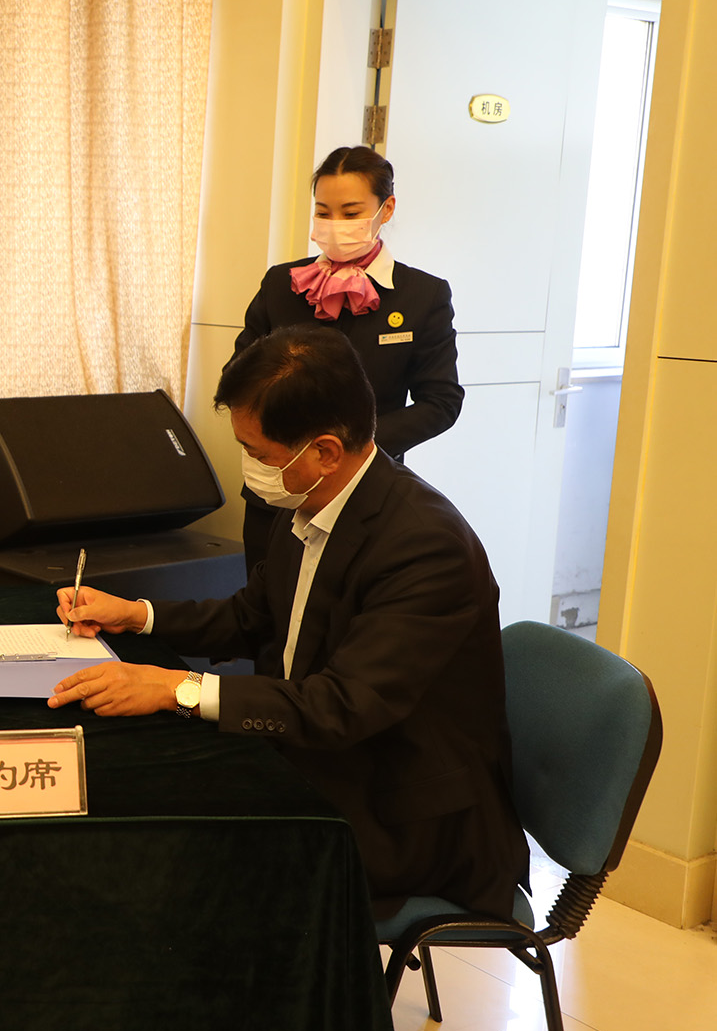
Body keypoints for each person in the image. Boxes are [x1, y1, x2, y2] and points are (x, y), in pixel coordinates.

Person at [48, 326, 526, 921]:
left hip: (399, 812)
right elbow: (251, 616)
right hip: (312, 752)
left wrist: (177, 688)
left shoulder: (426, 547)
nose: (250, 468)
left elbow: (341, 705)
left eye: (259, 454)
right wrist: (136, 615)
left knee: (177, 851)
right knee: (137, 784)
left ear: (325, 451)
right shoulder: (308, 500)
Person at [234, 145, 463, 571]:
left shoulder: (422, 295)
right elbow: (239, 375)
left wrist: (355, 448)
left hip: (365, 492)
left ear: (386, 209)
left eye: (351, 212)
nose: (335, 224)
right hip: (279, 489)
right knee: (266, 601)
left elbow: (442, 402)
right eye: (323, 212)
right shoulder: (282, 284)